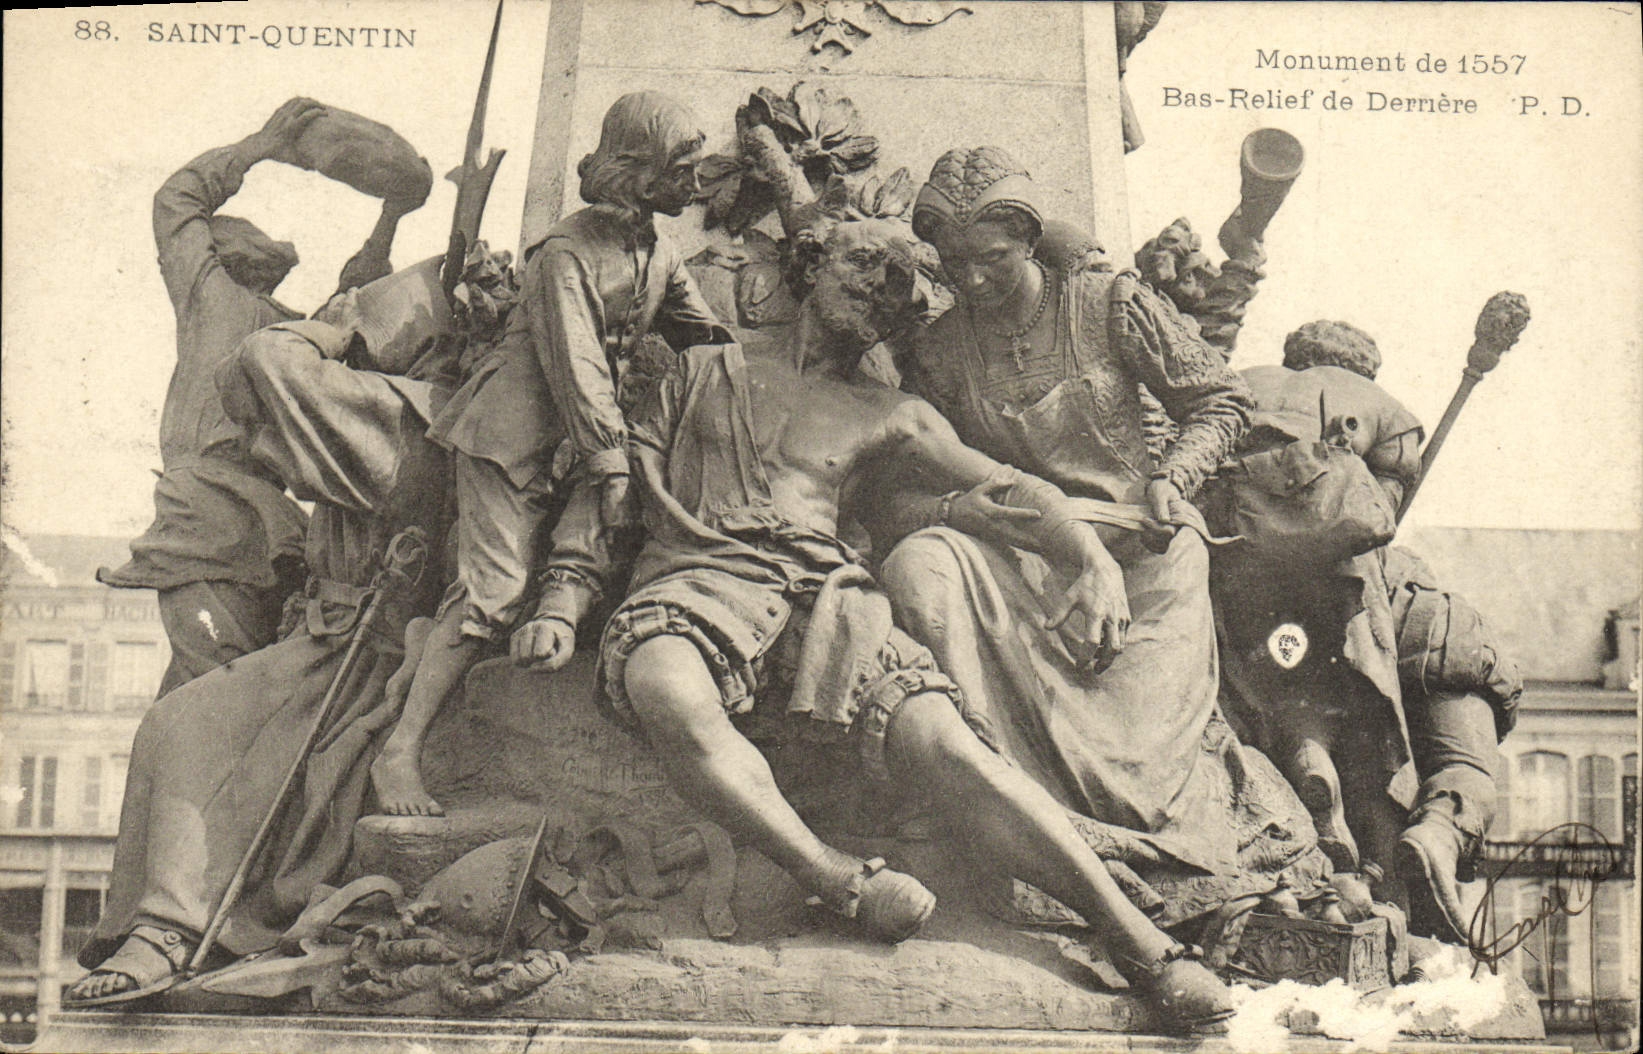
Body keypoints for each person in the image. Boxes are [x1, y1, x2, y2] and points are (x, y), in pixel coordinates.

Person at [533, 213, 1236, 1034]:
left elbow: (1011, 487)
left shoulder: (893, 412)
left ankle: (1138, 941)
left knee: (941, 740)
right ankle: (836, 879)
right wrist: (562, 592)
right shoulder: (696, 370)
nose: (876, 287)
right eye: (861, 264)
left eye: (897, 284)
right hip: (696, 580)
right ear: (810, 266)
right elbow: (606, 484)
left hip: (823, 595)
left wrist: (1085, 552)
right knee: (662, 683)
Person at [879, 147, 1328, 931]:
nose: (972, 281)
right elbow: (914, 474)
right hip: (1022, 556)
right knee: (921, 561)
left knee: (1137, 769)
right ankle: (999, 800)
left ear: (1026, 241)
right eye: (954, 266)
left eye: (989, 260)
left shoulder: (1106, 303)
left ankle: (1128, 856)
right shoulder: (940, 349)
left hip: (1145, 547)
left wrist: (1173, 479)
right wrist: (968, 519)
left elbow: (1220, 401)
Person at [63, 251, 512, 1007]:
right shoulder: (416, 412)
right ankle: (163, 926)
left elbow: (267, 360)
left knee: (187, 727)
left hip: (357, 656)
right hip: (324, 639)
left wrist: (342, 324)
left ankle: (168, 931)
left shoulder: (407, 419)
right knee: (182, 722)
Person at [369, 91, 732, 817]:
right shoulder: (565, 252)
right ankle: (398, 752)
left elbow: (707, 336)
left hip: (576, 441)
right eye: (682, 165)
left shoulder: (656, 249)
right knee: (494, 594)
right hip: (509, 438)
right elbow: (576, 364)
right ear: (639, 169)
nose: (696, 179)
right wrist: (610, 462)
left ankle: (424, 646)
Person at [1215, 320, 1519, 941]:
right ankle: (1440, 827)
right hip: (1355, 592)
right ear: (1364, 369)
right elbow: (1381, 518)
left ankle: (1309, 754)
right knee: (1453, 699)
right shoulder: (1389, 412)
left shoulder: (1244, 387)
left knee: (1293, 687)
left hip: (1247, 587)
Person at [95, 100, 325, 694]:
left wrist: (259, 146)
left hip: (209, 523)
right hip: (260, 527)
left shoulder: (210, 296)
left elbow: (176, 199)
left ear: (219, 254)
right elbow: (359, 308)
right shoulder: (293, 330)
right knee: (217, 692)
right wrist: (390, 221)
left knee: (213, 695)